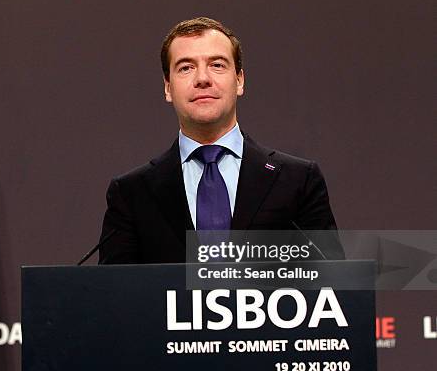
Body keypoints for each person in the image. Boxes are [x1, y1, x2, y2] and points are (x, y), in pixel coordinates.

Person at [99, 17, 340, 264]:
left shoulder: (298, 181)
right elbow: (113, 295)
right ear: (168, 88)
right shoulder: (131, 193)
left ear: (239, 80)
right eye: (186, 67)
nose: (202, 78)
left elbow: (332, 288)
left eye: (217, 65)